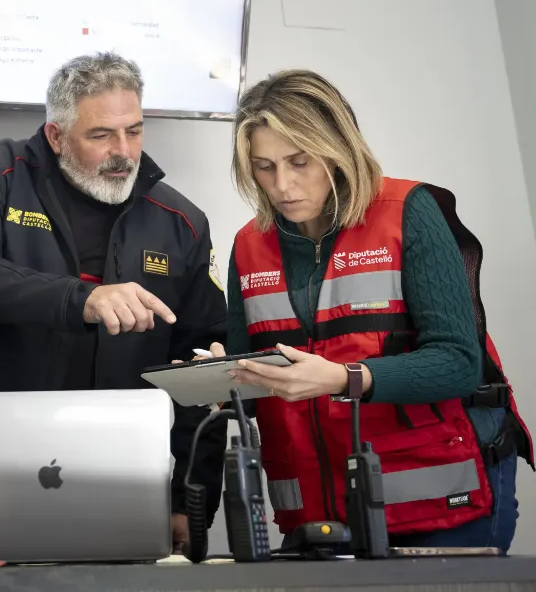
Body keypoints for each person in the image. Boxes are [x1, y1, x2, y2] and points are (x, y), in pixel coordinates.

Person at [212, 69, 531, 551]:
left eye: (300, 161)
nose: (282, 184)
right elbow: (259, 388)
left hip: (440, 498)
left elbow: (459, 363)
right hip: (316, 514)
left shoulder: (408, 211)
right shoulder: (248, 245)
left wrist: (344, 378)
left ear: (338, 150)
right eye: (264, 166)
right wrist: (218, 376)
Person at [0, 52, 229, 550]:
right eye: (101, 135)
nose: (124, 152)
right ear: (55, 136)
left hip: (127, 480)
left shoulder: (181, 220)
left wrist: (191, 496)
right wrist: (82, 300)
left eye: (134, 131)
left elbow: (203, 369)